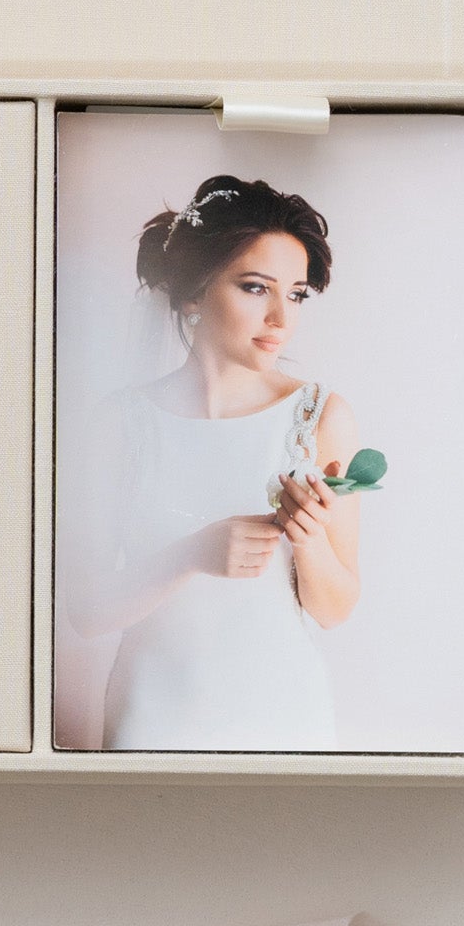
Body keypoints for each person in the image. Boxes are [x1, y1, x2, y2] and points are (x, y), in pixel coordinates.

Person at [72, 174, 360, 751]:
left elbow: (335, 610)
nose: (282, 316)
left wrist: (307, 539)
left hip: (286, 717)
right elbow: (86, 611)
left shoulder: (319, 417)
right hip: (152, 716)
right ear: (193, 294)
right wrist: (191, 555)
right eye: (257, 288)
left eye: (297, 293)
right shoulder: (120, 423)